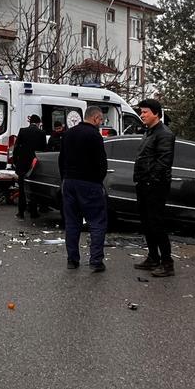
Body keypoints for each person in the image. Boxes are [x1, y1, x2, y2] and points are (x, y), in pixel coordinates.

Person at [59, 106, 108, 272]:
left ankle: (72, 260)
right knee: (96, 222)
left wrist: (64, 179)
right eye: (100, 120)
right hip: (89, 183)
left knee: (72, 223)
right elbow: (102, 163)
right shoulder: (94, 135)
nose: (101, 124)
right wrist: (98, 181)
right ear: (95, 118)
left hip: (69, 182)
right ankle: (96, 261)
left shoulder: (68, 133)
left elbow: (61, 159)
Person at [132, 98, 176, 277]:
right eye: (141, 112)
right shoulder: (149, 132)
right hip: (144, 184)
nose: (142, 115)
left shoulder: (164, 134)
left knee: (156, 224)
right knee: (146, 223)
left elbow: (163, 162)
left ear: (156, 113)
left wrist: (150, 182)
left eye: (145, 112)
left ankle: (167, 263)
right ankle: (153, 257)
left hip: (155, 186)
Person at [12, 114, 47, 219]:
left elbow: (16, 147)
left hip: (23, 164)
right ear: (38, 123)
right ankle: (33, 212)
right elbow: (43, 150)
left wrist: (15, 161)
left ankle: (21, 212)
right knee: (34, 189)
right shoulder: (42, 133)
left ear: (30, 122)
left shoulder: (22, 131)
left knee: (22, 189)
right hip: (35, 164)